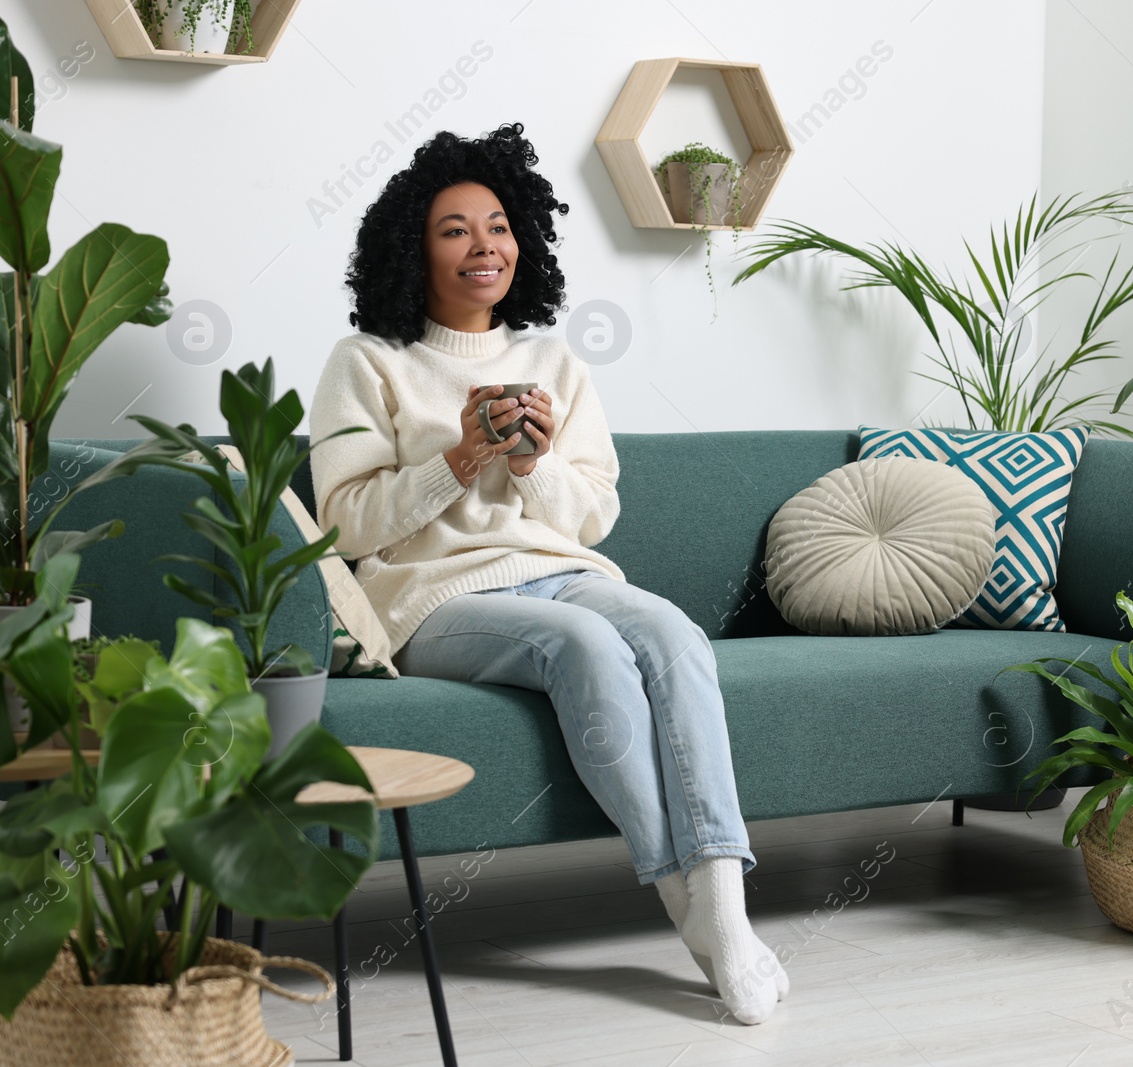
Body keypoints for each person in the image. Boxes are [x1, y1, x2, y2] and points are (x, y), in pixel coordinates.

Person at [307, 122, 787, 1024]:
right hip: (435, 596)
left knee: (673, 634)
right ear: (413, 246)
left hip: (563, 567)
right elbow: (344, 525)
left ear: (521, 237)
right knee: (587, 649)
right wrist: (455, 459)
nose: (483, 244)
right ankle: (696, 913)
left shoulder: (552, 361)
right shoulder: (366, 362)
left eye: (497, 225)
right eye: (455, 229)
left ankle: (724, 904)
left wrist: (531, 465)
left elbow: (595, 511)